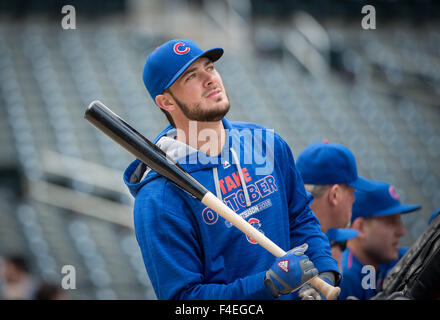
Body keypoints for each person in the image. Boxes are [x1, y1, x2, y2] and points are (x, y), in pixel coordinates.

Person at [123, 39, 340, 299]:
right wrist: (267, 285)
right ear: (166, 102)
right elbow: (185, 300)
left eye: (210, 67)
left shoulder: (266, 143)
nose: (210, 79)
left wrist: (324, 271)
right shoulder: (159, 199)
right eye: (192, 76)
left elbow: (301, 218)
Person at [339, 180, 421, 300]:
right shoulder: (344, 278)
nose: (401, 231)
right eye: (391, 222)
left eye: (399, 221)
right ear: (360, 228)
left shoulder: (389, 257)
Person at [296, 141, 376, 233]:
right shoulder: (314, 243)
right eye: (352, 193)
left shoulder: (285, 231)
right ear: (335, 194)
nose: (354, 199)